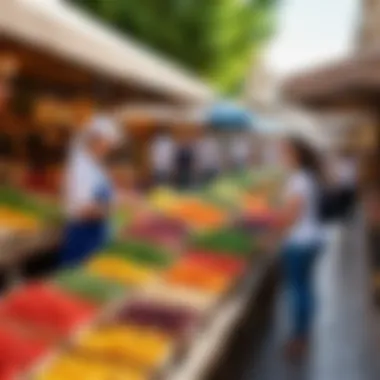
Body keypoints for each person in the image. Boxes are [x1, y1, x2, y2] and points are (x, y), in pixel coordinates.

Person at [274, 137, 324, 359]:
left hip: (299, 242)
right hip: (311, 240)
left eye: (284, 153)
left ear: (295, 155)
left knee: (297, 290)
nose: (281, 158)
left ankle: (299, 337)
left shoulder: (298, 180)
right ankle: (304, 332)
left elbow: (293, 214)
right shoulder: (307, 177)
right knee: (305, 288)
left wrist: (273, 234)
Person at [61, 114, 120, 267]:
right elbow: (84, 210)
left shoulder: (96, 166)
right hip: (83, 235)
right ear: (94, 141)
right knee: (75, 277)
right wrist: (112, 209)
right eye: (106, 143)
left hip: (97, 235)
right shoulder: (80, 168)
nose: (108, 148)